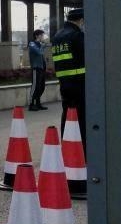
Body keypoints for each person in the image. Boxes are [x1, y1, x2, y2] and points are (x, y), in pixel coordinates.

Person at [51, 8, 86, 152]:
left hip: (64, 83)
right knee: (81, 117)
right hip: (80, 82)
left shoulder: (57, 36)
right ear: (81, 20)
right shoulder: (77, 35)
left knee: (67, 114)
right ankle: (81, 150)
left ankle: (67, 145)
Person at [27, 29, 48, 111]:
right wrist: (43, 45)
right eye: (41, 35)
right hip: (36, 68)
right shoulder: (32, 44)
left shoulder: (40, 44)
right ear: (37, 36)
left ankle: (38, 104)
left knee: (41, 87)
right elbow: (39, 52)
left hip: (42, 68)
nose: (43, 37)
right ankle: (31, 104)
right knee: (35, 86)